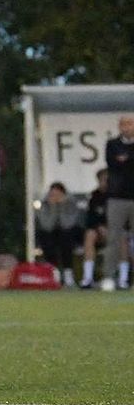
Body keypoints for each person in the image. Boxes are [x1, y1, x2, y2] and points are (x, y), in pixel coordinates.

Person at [101, 116, 134, 291]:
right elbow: (113, 164)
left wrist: (126, 159)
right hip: (117, 198)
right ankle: (108, 276)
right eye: (124, 124)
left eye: (130, 124)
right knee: (113, 238)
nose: (127, 127)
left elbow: (125, 162)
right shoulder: (112, 144)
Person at [35, 182, 82, 286]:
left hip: (68, 233)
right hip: (50, 234)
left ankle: (67, 273)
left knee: (66, 237)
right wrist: (53, 208)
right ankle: (54, 271)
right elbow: (46, 225)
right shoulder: (45, 204)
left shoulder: (70, 203)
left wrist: (61, 206)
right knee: (46, 237)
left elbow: (68, 224)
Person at [80, 168, 109, 289]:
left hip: (117, 233)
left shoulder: (119, 197)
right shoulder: (94, 196)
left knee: (122, 238)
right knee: (89, 235)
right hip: (100, 233)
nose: (105, 182)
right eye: (102, 179)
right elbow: (90, 218)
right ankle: (88, 278)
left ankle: (122, 279)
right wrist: (99, 227)